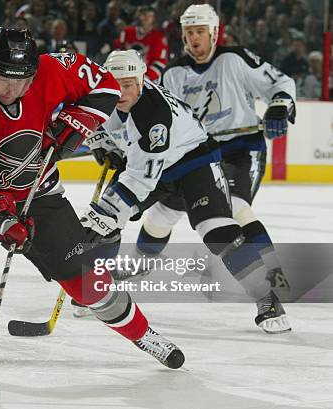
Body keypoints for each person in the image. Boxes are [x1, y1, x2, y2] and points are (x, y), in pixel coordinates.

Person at [0, 27, 185, 383]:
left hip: (41, 196)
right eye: (1, 79)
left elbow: (106, 86)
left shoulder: (55, 68)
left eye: (20, 82)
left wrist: (82, 119)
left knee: (91, 286)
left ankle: (143, 334)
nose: (10, 91)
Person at [81, 50, 291, 334]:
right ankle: (97, 290)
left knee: (217, 232)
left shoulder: (152, 114)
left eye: (128, 84)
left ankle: (267, 297)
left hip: (196, 165)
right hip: (158, 165)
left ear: (142, 81)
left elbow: (141, 179)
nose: (120, 91)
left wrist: (109, 212)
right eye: (115, 83)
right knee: (139, 222)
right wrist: (100, 140)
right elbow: (100, 120)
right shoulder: (111, 95)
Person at [126, 4, 295, 328]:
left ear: (214, 33)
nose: (194, 38)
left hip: (239, 150)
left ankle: (272, 277)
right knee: (161, 214)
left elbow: (281, 83)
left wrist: (278, 107)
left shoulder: (235, 59)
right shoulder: (173, 74)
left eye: (200, 31)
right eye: (189, 32)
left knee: (234, 209)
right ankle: (139, 265)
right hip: (195, 154)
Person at [113, 5, 168, 81]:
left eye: (148, 16)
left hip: (148, 80)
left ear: (154, 18)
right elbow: (116, 53)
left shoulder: (159, 37)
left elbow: (160, 62)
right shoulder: (127, 32)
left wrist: (146, 78)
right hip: (125, 77)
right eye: (142, 15)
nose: (144, 18)